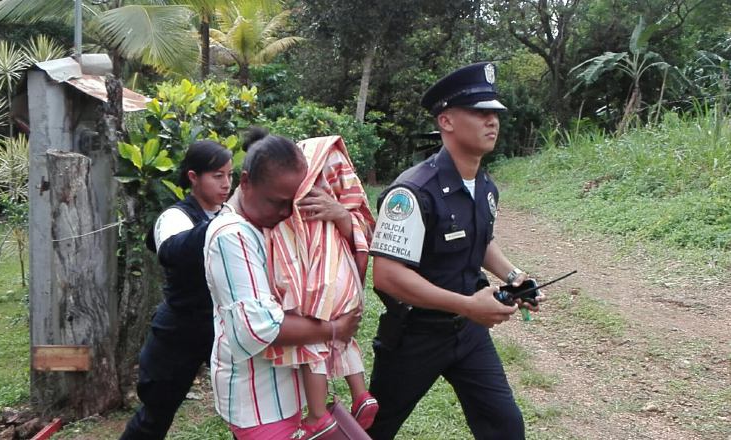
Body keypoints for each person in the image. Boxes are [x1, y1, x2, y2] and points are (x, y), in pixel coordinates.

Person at [366, 62, 542, 440]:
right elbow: (387, 275)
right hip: (416, 335)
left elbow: (480, 242)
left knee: (506, 428)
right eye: (480, 113)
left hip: (469, 334)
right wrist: (467, 305)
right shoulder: (411, 193)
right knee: (375, 429)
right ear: (446, 121)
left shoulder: (485, 186)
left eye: (494, 113)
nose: (491, 121)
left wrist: (514, 278)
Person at [204, 129, 363, 440]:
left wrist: (342, 217)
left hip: (290, 395)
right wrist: (334, 330)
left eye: (292, 203)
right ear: (246, 182)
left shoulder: (273, 227)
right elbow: (258, 328)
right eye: (276, 202)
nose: (285, 213)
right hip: (260, 402)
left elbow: (339, 267)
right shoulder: (231, 236)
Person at [263, 136, 378, 438]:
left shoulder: (287, 207)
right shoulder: (333, 186)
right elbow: (365, 224)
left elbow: (282, 256)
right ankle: (361, 394)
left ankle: (317, 415)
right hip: (346, 280)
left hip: (316, 284)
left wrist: (342, 214)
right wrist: (344, 215)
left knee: (310, 339)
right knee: (344, 336)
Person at [120, 140, 233, 440]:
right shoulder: (174, 216)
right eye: (217, 176)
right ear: (194, 178)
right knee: (155, 415)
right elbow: (171, 251)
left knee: (246, 411)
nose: (226, 184)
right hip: (180, 331)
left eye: (230, 176)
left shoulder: (231, 215)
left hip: (224, 327)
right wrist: (225, 221)